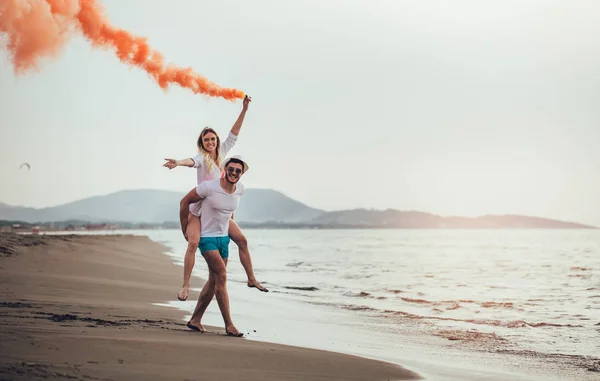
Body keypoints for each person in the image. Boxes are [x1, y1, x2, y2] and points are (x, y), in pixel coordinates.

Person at [163, 95, 267, 301]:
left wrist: (244, 109)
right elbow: (190, 161)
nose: (210, 142)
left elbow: (234, 133)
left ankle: (251, 278)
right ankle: (185, 286)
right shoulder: (201, 158)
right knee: (192, 243)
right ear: (202, 143)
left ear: (216, 141)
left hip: (219, 212)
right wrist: (178, 162)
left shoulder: (223, 153)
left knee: (242, 240)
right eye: (206, 140)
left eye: (212, 139)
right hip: (200, 210)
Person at [182, 155, 250, 337]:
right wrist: (185, 228)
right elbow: (185, 201)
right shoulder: (209, 187)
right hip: (206, 238)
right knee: (221, 277)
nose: (234, 173)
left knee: (214, 281)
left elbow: (228, 210)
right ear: (225, 169)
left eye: (238, 170)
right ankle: (229, 325)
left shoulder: (240, 189)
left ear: (242, 173)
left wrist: (228, 226)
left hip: (222, 238)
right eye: (231, 169)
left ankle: (195, 319)